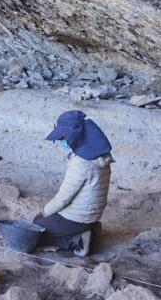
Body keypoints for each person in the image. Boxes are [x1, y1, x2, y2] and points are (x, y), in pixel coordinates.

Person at [34, 110, 113, 256]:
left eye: (64, 137)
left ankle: (77, 240)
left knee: (37, 226)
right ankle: (91, 230)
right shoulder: (101, 156)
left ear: (75, 136)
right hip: (92, 214)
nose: (62, 141)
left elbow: (64, 198)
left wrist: (44, 212)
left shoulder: (81, 163)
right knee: (48, 220)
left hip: (77, 218)